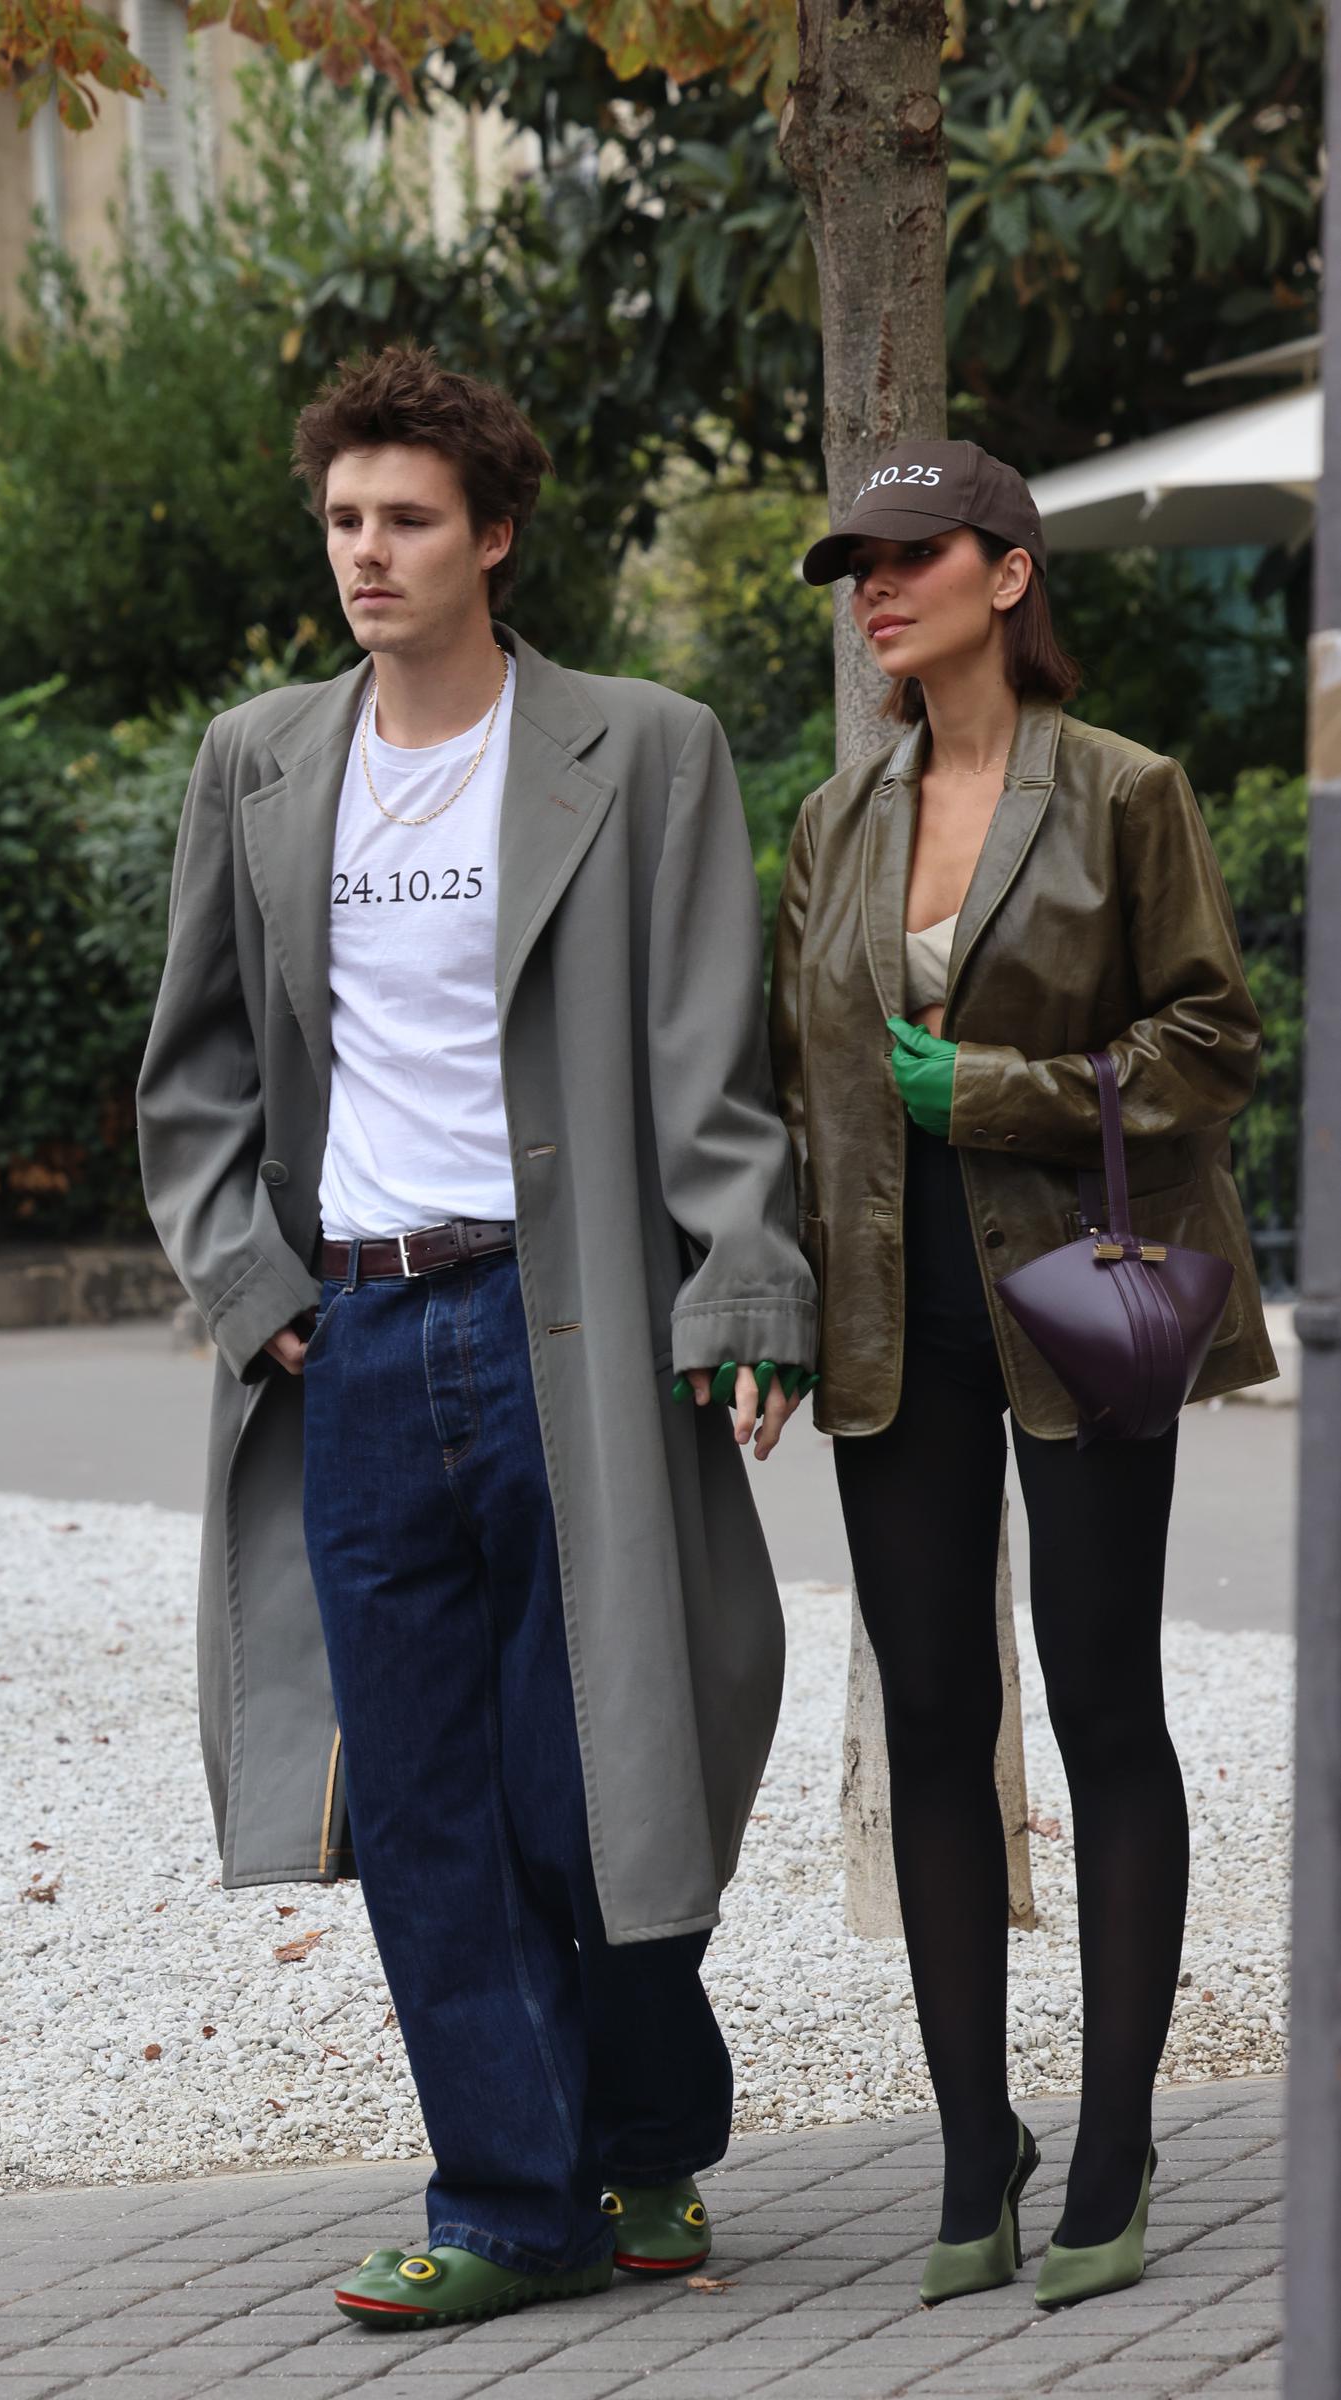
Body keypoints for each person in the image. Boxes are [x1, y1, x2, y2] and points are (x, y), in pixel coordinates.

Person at [137, 345, 817, 2333]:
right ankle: (515, 2204)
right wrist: (251, 1293)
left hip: (564, 1325)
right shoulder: (260, 761)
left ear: (493, 536)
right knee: (426, 1800)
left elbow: (710, 1057)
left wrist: (743, 1277)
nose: (368, 552)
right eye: (345, 519)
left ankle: (651, 2137)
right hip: (353, 1339)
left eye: (409, 519)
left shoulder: (641, 747)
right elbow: (195, 1074)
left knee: (587, 1770)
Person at [770, 439, 1276, 2313]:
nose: (874, 588)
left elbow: (1212, 1040)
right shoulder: (834, 817)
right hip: (890, 1312)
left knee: (1099, 1699)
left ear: (1005, 573)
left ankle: (1115, 2140)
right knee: (928, 1713)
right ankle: (971, 2149)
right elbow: (795, 1093)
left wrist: (995, 1091)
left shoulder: (1124, 791)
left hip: (1082, 1293)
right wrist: (764, 1309)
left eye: (910, 555)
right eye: (857, 563)